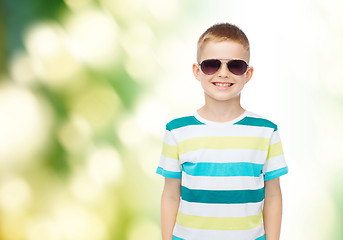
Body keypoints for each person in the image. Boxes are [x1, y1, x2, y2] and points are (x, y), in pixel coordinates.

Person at [156, 22, 288, 240]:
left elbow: (273, 196)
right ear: (197, 71)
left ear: (248, 73)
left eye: (235, 66)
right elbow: (170, 195)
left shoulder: (266, 131)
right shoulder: (177, 131)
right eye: (211, 65)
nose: (223, 73)